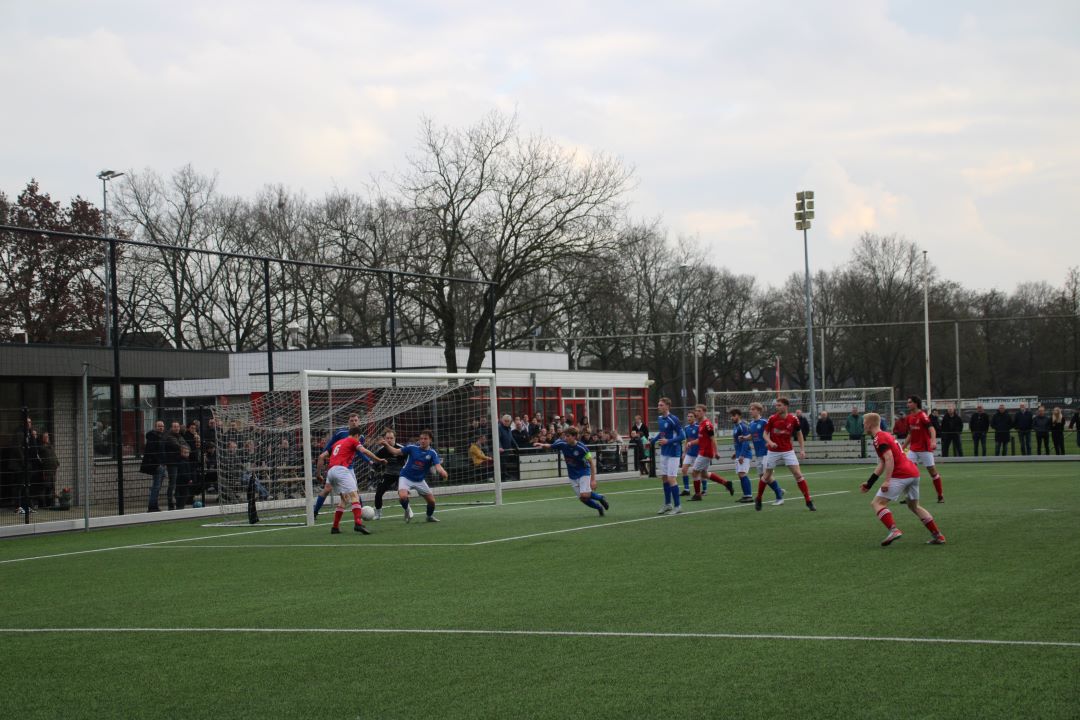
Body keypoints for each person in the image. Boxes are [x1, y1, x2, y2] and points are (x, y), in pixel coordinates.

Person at [859, 412, 945, 547]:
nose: (863, 425)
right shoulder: (886, 435)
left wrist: (887, 481)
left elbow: (888, 458)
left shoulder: (879, 438)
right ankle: (938, 535)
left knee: (877, 503)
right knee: (914, 506)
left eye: (864, 423)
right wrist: (870, 483)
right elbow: (882, 462)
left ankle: (893, 530)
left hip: (901, 475)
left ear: (869, 424)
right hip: (913, 473)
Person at [313, 414, 382, 520]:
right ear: (348, 422)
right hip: (336, 465)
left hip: (349, 467)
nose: (354, 422)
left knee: (355, 491)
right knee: (327, 489)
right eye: (351, 420)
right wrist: (326, 458)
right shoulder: (341, 433)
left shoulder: (361, 437)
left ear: (359, 422)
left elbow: (359, 452)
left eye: (356, 420)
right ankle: (314, 512)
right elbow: (329, 446)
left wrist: (370, 462)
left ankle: (361, 513)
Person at [534, 426, 609, 516]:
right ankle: (599, 508)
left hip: (584, 472)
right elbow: (550, 446)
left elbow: (591, 463)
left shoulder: (582, 448)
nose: (566, 438)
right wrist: (542, 445)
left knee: (585, 495)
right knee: (583, 499)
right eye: (565, 436)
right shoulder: (562, 444)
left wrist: (593, 480)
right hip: (572, 475)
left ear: (574, 437)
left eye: (568, 436)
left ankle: (600, 498)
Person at [757, 397, 814, 512]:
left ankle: (808, 501)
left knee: (798, 475)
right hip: (773, 451)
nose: (777, 407)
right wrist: (770, 442)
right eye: (776, 405)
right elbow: (765, 434)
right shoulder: (772, 418)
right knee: (766, 476)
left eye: (779, 405)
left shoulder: (793, 419)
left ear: (785, 406)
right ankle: (758, 498)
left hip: (788, 451)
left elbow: (799, 434)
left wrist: (802, 449)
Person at [381, 429, 447, 523]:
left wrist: (443, 472)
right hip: (405, 477)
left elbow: (438, 466)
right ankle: (407, 510)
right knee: (403, 497)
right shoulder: (412, 448)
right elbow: (395, 452)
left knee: (432, 501)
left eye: (425, 439)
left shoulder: (432, 453)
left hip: (419, 480)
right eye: (421, 439)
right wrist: (387, 445)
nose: (423, 441)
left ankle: (429, 516)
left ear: (430, 440)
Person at [324, 425, 372, 535]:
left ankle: (335, 527)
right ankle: (358, 523)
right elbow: (364, 451)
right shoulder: (352, 440)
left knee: (344, 499)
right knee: (355, 495)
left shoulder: (338, 442)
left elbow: (322, 456)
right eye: (359, 438)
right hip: (341, 470)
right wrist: (377, 460)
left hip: (331, 471)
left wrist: (318, 472)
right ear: (357, 435)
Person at [902, 396, 944, 503]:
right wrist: (903, 447)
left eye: (910, 402)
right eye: (908, 402)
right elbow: (910, 434)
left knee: (932, 472)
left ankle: (940, 495)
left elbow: (932, 429)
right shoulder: (909, 417)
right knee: (908, 472)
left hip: (925, 449)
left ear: (916, 404)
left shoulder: (923, 415)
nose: (908, 404)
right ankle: (909, 497)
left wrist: (933, 441)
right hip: (913, 449)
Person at [688, 404, 732, 500]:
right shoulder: (701, 424)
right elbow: (701, 439)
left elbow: (713, 439)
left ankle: (697, 495)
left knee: (694, 472)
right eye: (696, 411)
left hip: (706, 452)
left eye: (699, 411)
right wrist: (691, 442)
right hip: (703, 451)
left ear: (704, 412)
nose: (697, 413)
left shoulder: (707, 425)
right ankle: (726, 483)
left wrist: (716, 452)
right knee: (703, 474)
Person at [650, 397, 685, 515]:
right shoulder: (660, 419)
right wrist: (653, 441)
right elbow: (662, 433)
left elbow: (682, 436)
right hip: (664, 452)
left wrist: (668, 441)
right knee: (664, 478)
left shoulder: (673, 419)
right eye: (658, 405)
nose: (658, 407)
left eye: (661, 405)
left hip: (674, 453)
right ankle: (668, 504)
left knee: (671, 478)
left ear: (667, 406)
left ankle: (678, 506)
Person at [370, 427, 407, 519]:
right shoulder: (381, 450)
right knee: (378, 493)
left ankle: (407, 510)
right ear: (385, 439)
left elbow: (410, 461)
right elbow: (375, 464)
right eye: (387, 438)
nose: (389, 440)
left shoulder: (401, 449)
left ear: (395, 438)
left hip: (401, 475)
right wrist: (372, 472)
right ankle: (378, 513)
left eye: (391, 438)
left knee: (402, 495)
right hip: (388, 474)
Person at [747, 402, 780, 502]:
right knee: (762, 476)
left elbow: (772, 432)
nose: (751, 411)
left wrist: (769, 442)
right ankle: (778, 490)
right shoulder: (751, 424)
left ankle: (778, 494)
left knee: (766, 476)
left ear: (759, 411)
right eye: (750, 409)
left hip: (766, 452)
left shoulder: (764, 422)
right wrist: (744, 438)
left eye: (753, 409)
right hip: (758, 453)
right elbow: (752, 435)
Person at [730, 408, 762, 504]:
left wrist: (742, 455)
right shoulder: (736, 426)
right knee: (740, 474)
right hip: (739, 453)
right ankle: (746, 495)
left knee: (742, 473)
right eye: (731, 416)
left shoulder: (742, 426)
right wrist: (736, 453)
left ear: (739, 415)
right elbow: (738, 441)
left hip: (744, 454)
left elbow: (746, 441)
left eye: (734, 415)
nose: (732, 418)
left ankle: (748, 496)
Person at [679, 408, 699, 497]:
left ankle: (704, 489)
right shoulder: (686, 428)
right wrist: (684, 452)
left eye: (691, 416)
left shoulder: (698, 427)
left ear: (695, 418)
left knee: (699, 472)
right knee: (684, 469)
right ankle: (687, 489)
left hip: (698, 453)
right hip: (689, 453)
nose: (689, 418)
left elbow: (701, 440)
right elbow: (687, 440)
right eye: (688, 416)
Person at [38, 431, 59, 508]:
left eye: (48, 437)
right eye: (45, 437)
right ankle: (42, 504)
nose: (47, 438)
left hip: (52, 469)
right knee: (45, 487)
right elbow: (41, 458)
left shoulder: (50, 446)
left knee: (51, 487)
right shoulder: (41, 447)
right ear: (42, 438)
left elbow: (53, 455)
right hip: (46, 470)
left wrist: (57, 463)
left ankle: (50, 504)